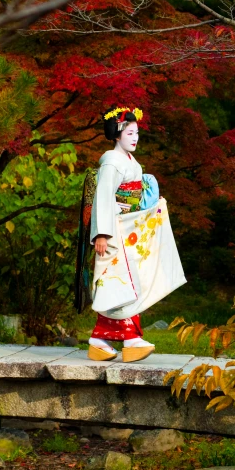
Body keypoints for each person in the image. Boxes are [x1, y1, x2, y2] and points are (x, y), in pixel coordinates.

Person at [75, 107, 186, 363]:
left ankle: (99, 340)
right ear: (117, 134)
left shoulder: (128, 162)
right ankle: (131, 339)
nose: (135, 138)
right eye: (130, 132)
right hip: (114, 231)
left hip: (127, 228)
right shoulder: (112, 163)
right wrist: (101, 234)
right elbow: (104, 197)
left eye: (137, 133)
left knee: (123, 284)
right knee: (122, 285)